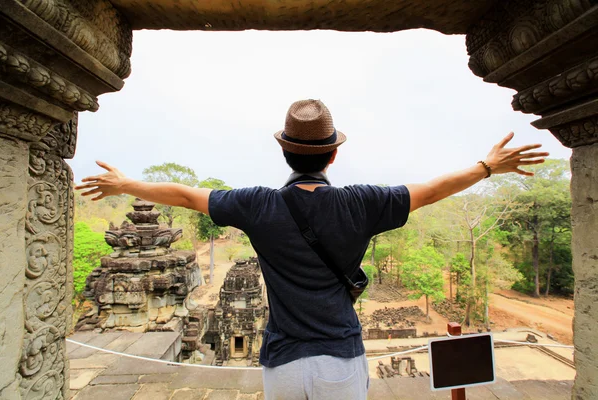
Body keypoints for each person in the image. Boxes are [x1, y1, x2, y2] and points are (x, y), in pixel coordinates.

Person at [76, 99, 548, 399]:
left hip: (282, 361)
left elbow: (184, 195)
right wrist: (486, 167)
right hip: (341, 360)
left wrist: (125, 185)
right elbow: (428, 191)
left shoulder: (257, 205)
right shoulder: (361, 203)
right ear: (334, 153)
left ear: (283, 150)